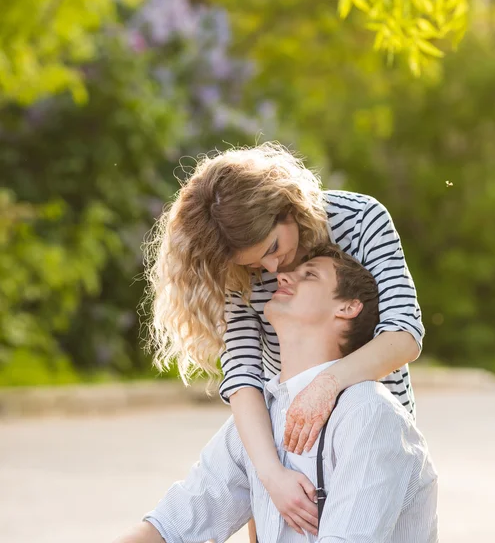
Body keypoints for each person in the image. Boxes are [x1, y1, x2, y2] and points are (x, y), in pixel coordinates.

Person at [143, 143, 425, 534]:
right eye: (256, 263)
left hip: (366, 441)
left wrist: (327, 385)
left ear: (288, 207)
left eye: (273, 248)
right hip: (283, 445)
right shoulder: (237, 268)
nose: (273, 269)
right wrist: (271, 477)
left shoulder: (361, 220)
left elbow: (403, 334)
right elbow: (243, 376)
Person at [116, 245, 438, 542]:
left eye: (309, 274)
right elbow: (170, 527)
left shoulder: (368, 414)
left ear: (348, 307)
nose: (282, 275)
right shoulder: (261, 422)